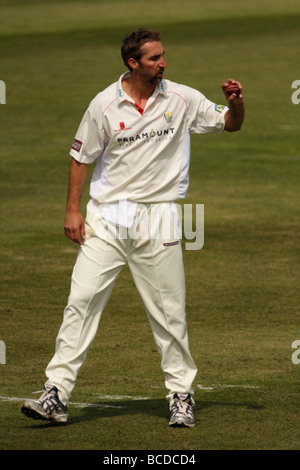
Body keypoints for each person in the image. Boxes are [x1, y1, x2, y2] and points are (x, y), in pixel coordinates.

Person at [21, 28, 244, 427]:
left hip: (159, 218)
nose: (163, 63)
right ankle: (56, 393)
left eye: (163, 56)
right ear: (133, 63)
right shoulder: (104, 105)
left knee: (168, 312)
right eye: (155, 58)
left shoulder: (182, 98)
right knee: (81, 302)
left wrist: (235, 104)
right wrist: (73, 210)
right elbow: (80, 157)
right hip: (106, 218)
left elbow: (230, 124)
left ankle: (180, 395)